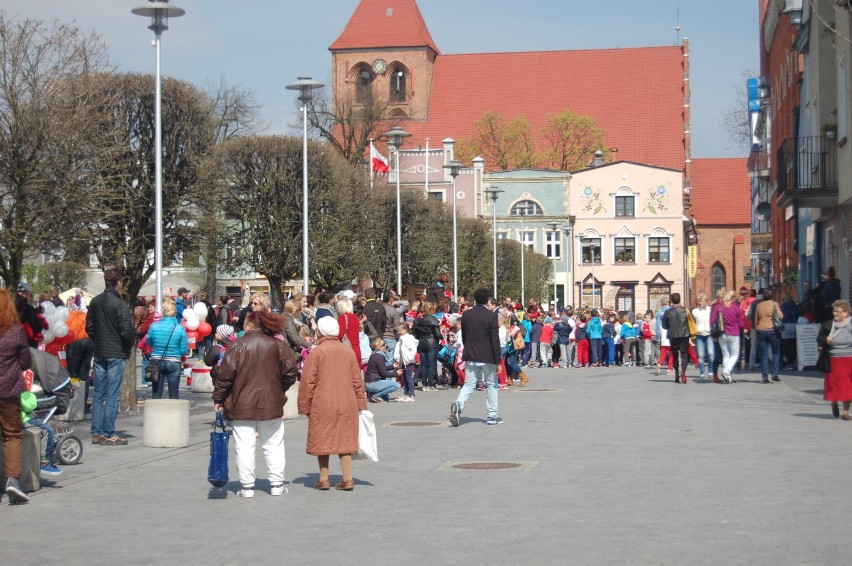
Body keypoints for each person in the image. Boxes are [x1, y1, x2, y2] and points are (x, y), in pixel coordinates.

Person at [213, 311, 298, 498]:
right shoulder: (278, 345)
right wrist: (279, 388)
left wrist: (218, 398)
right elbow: (291, 371)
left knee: (244, 446)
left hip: (241, 403)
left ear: (249, 325)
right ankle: (276, 484)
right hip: (271, 402)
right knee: (273, 445)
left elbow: (225, 376)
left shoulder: (237, 345)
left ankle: (246, 487)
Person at [298, 316, 368, 491]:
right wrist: (361, 404)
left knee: (323, 438)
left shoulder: (317, 352)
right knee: (345, 439)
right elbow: (357, 381)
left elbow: (308, 382)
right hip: (347, 401)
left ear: (320, 331)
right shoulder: (348, 351)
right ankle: (348, 478)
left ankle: (323, 479)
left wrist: (304, 406)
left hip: (322, 402)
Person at [86, 268, 135, 446]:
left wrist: (99, 339)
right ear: (118, 283)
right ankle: (107, 432)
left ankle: (97, 431)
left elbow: (89, 328)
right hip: (115, 351)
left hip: (100, 351)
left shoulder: (95, 301)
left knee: (99, 393)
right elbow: (126, 330)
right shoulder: (119, 304)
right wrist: (128, 346)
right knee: (112, 394)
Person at [449, 288, 502, 427]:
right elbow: (495, 339)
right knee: (491, 385)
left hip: (471, 354)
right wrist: (498, 360)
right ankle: (492, 415)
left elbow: (465, 335)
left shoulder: (466, 315)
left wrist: (468, 348)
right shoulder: (491, 316)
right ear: (487, 300)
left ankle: (458, 405)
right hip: (487, 355)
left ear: (475, 299)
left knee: (469, 384)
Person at [0, 289, 33, 503]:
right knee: (12, 434)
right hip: (9, 390)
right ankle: (13, 480)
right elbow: (26, 362)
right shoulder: (15, 330)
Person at [146, 299, 189, 399]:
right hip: (174, 362)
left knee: (156, 393)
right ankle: (173, 414)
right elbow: (183, 351)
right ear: (174, 312)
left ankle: (156, 413)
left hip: (156, 360)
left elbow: (149, 342)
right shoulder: (179, 328)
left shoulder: (154, 326)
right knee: (174, 394)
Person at [818, 300, 852, 419]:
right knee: (834, 384)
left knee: (848, 386)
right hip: (833, 358)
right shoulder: (828, 324)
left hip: (849, 358)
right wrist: (825, 339)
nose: (835, 313)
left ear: (846, 313)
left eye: (838, 311)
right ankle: (834, 402)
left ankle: (846, 412)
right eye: (834, 311)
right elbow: (819, 338)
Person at [20, 391, 62, 477]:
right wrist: (29, 393)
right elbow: (29, 405)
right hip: (20, 418)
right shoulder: (19, 383)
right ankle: (45, 463)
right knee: (48, 431)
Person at [711, 289, 744, 383]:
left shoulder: (718, 307)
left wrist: (713, 333)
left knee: (726, 355)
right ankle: (726, 371)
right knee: (735, 354)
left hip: (722, 333)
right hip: (733, 333)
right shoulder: (736, 308)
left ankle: (728, 377)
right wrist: (741, 330)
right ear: (733, 299)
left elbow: (712, 320)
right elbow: (740, 324)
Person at [754, 289, 783, 384]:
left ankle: (765, 377)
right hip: (772, 330)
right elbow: (781, 316)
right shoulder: (774, 304)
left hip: (761, 330)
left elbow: (755, 320)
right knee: (776, 352)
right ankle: (775, 375)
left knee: (764, 355)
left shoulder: (759, 305)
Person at [413, 301, 442, 391]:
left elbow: (415, 333)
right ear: (432, 309)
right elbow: (437, 334)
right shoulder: (434, 320)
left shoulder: (418, 320)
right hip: (432, 344)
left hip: (422, 343)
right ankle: (430, 384)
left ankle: (424, 384)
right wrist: (442, 337)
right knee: (432, 365)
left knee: (424, 365)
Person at [662, 293, 690, 384]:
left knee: (674, 356)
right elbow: (690, 322)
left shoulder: (667, 312)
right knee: (684, 354)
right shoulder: (685, 310)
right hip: (684, 335)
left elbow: (664, 326)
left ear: (672, 300)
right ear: (680, 299)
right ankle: (683, 373)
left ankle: (677, 375)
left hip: (672, 335)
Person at [364, 338, 401, 402]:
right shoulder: (379, 357)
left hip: (369, 383)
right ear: (379, 347)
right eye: (383, 345)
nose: (386, 346)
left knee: (386, 394)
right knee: (397, 385)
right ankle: (376, 395)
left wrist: (392, 366)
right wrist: (396, 374)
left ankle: (372, 394)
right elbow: (383, 373)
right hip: (373, 383)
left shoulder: (375, 355)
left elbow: (381, 368)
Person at [393, 322, 418, 401]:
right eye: (398, 331)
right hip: (402, 361)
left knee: (408, 378)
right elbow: (398, 349)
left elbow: (413, 349)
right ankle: (406, 393)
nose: (398, 332)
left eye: (400, 330)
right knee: (404, 378)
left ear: (405, 330)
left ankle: (411, 394)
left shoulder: (409, 338)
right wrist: (397, 358)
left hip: (408, 361)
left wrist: (410, 359)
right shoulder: (401, 339)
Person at [691, 294, 714, 380]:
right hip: (699, 334)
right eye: (699, 301)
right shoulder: (695, 311)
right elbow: (692, 322)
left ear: (706, 302)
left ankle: (711, 371)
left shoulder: (710, 310)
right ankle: (702, 372)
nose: (700, 303)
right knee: (701, 355)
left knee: (711, 353)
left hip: (709, 334)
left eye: (702, 301)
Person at [336, 297, 362, 368]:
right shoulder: (355, 318)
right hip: (356, 348)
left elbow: (340, 335)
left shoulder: (343, 317)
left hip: (347, 348)